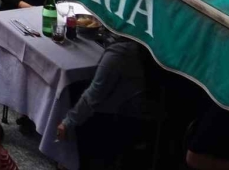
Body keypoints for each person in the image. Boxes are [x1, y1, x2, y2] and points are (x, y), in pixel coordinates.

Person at [54, 34, 154, 168]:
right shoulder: (144, 44)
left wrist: (67, 123)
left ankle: (69, 161)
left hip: (123, 119)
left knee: (71, 95)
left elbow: (95, 94)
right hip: (142, 113)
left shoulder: (121, 51)